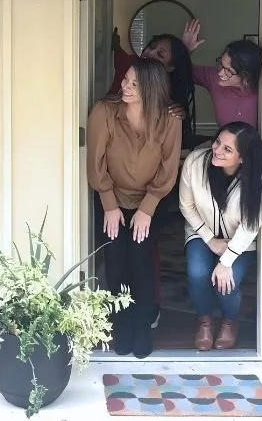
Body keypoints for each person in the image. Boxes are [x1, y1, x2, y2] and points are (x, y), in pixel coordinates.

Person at [87, 58, 182, 359]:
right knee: (115, 263)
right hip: (110, 199)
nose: (124, 86)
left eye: (134, 83)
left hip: (148, 202)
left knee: (142, 264)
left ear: (151, 88)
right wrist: (109, 204)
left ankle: (142, 324)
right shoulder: (105, 111)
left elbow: (168, 169)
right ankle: (121, 324)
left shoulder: (170, 119)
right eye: (125, 80)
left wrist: (148, 207)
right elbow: (95, 161)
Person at [178, 122, 262, 351]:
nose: (217, 150)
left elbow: (249, 228)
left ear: (242, 158)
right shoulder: (195, 162)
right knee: (197, 272)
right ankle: (204, 320)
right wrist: (209, 239)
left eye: (227, 149)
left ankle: (229, 320)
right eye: (217, 143)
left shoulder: (257, 183)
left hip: (238, 241)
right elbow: (186, 205)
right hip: (200, 231)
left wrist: (226, 261)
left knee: (226, 282)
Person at [181, 21, 262, 129]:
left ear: (246, 76)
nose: (220, 73)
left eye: (229, 70)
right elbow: (181, 69)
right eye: (221, 64)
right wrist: (184, 49)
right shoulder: (213, 77)